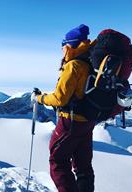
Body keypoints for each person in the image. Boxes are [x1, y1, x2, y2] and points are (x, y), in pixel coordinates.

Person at [31, 24, 96, 192]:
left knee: (58, 161)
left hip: (71, 121)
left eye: (63, 46)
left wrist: (39, 98)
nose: (62, 51)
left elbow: (60, 98)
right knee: (83, 165)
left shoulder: (74, 65)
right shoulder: (90, 62)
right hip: (88, 120)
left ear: (70, 45)